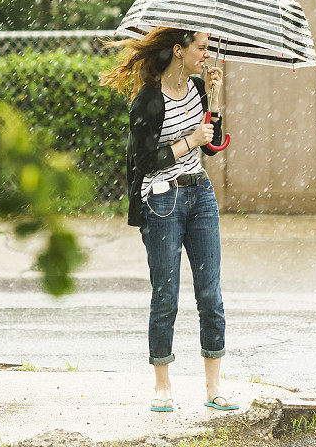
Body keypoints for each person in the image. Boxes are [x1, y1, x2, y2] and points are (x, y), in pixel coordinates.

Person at [99, 26, 238, 413]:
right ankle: (163, 385)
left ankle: (213, 388)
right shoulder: (148, 100)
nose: (206, 55)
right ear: (179, 50)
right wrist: (188, 141)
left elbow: (211, 145)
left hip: (201, 195)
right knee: (166, 295)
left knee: (210, 293)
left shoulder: (197, 87)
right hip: (162, 201)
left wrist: (214, 98)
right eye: (202, 48)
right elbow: (144, 163)